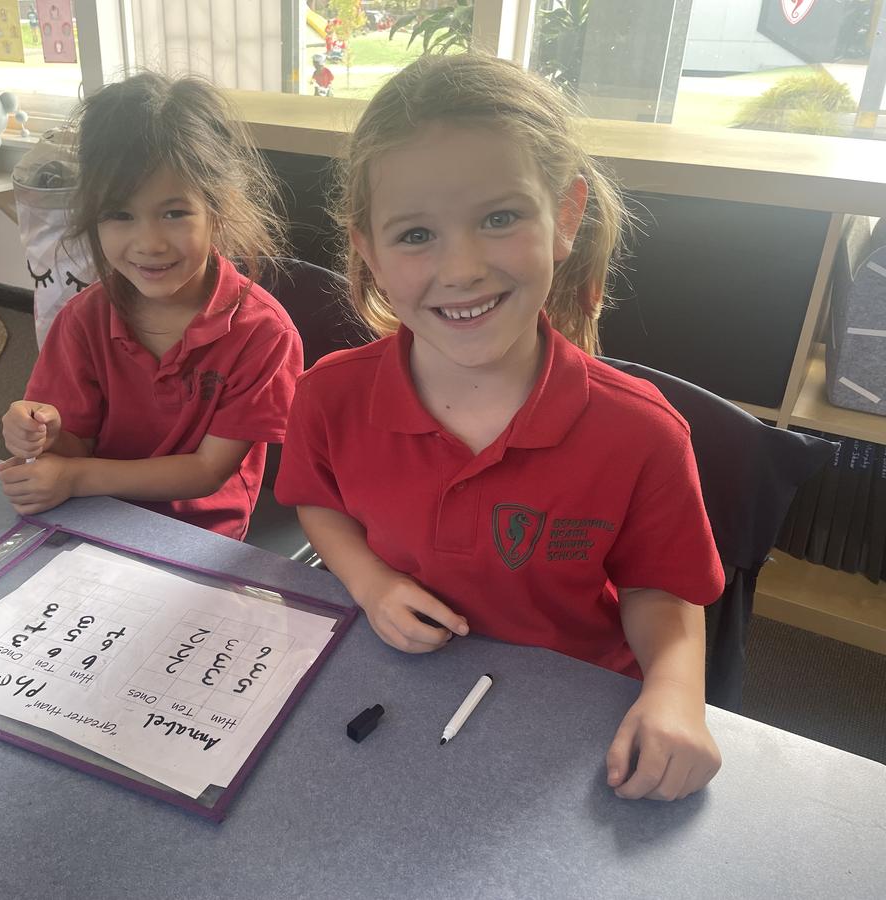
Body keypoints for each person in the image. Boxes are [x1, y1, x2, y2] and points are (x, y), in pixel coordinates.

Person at [275, 53, 725, 802]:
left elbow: (663, 593)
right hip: (399, 690)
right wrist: (370, 582)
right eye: (415, 234)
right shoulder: (329, 396)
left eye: (499, 218)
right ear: (368, 251)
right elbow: (318, 503)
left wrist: (677, 695)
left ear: (566, 216)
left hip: (571, 723)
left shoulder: (641, 435)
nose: (462, 269)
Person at [0, 72, 303, 540]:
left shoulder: (263, 334)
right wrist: (45, 433)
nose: (150, 244)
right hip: (91, 515)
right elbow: (72, 448)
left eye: (174, 213)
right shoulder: (82, 320)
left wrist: (75, 477)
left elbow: (206, 471)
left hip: (199, 535)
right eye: (119, 214)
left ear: (219, 209)